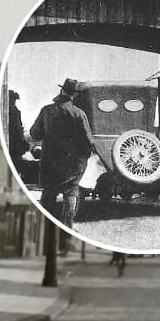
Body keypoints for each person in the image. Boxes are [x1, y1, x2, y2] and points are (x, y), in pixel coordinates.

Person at [29, 78, 96, 233]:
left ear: (62, 91)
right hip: (72, 163)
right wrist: (84, 157)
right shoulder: (79, 113)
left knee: (48, 192)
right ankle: (67, 226)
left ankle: (46, 226)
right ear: (74, 95)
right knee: (71, 192)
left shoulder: (46, 111)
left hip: (50, 162)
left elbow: (34, 133)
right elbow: (88, 140)